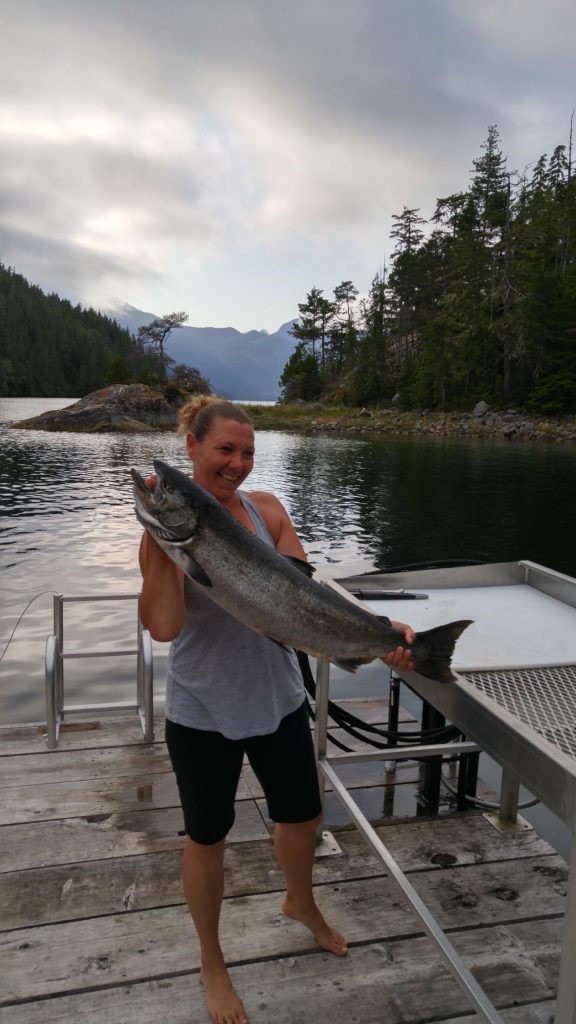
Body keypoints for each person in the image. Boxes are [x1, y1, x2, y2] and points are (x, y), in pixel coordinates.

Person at [137, 395, 416, 1024]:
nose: (237, 464)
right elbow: (163, 627)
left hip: (279, 699)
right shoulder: (167, 535)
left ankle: (301, 903)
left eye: (247, 453)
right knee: (206, 839)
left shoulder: (267, 512)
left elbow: (301, 600)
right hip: (202, 708)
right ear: (193, 447)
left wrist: (377, 632)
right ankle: (212, 961)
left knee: (302, 817)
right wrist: (161, 550)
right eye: (224, 450)